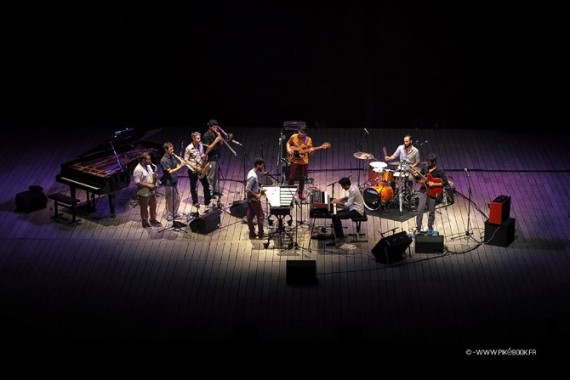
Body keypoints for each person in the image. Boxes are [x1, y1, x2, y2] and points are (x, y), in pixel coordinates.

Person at [414, 153, 448, 234]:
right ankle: (418, 228)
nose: (427, 163)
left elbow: (445, 182)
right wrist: (417, 177)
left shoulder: (439, 170)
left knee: (431, 211)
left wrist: (434, 184)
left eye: (429, 162)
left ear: (434, 162)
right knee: (420, 209)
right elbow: (419, 179)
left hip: (433, 192)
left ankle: (430, 227)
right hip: (424, 190)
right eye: (427, 162)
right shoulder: (425, 169)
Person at [184, 131, 212, 212]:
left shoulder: (201, 146)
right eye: (198, 138)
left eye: (200, 138)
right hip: (193, 169)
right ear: (193, 138)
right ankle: (195, 202)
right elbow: (185, 160)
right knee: (194, 186)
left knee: (206, 184)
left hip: (201, 167)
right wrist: (194, 167)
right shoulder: (188, 148)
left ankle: (207, 201)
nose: (200, 140)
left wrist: (204, 156)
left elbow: (201, 155)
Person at [133, 153, 162, 228]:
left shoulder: (148, 166)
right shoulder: (137, 170)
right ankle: (145, 222)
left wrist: (155, 176)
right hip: (144, 192)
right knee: (144, 208)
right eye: (148, 159)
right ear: (143, 160)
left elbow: (151, 174)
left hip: (151, 190)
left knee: (153, 206)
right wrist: (148, 185)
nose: (150, 160)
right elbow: (137, 182)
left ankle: (153, 219)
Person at [286, 126, 313, 200]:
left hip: (304, 161)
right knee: (291, 177)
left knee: (302, 178)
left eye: (304, 133)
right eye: (301, 132)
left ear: (306, 134)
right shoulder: (293, 136)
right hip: (294, 159)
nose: (302, 134)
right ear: (298, 131)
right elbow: (288, 143)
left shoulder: (308, 139)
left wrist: (311, 151)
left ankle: (300, 194)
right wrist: (288, 149)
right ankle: (289, 193)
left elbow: (310, 150)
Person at [160, 142, 185, 221]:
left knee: (177, 199)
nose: (172, 150)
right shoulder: (163, 160)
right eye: (170, 149)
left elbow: (176, 166)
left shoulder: (172, 156)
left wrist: (181, 163)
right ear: (165, 150)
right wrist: (181, 166)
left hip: (175, 180)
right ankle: (169, 214)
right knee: (170, 200)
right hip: (168, 183)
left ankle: (175, 213)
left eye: (172, 149)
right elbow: (170, 171)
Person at [202, 119, 224, 200]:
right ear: (210, 127)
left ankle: (215, 190)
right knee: (210, 176)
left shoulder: (215, 134)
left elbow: (221, 143)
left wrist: (220, 137)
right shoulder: (206, 136)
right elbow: (208, 149)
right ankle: (210, 192)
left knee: (216, 175)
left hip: (217, 156)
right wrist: (216, 140)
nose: (216, 129)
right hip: (210, 157)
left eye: (216, 127)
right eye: (214, 127)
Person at [245, 158, 266, 239]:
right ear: (257, 165)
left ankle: (252, 233)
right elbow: (247, 189)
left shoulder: (251, 172)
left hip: (250, 200)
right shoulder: (253, 176)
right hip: (254, 200)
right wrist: (256, 195)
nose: (262, 167)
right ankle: (261, 234)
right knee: (261, 216)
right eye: (261, 166)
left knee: (250, 217)